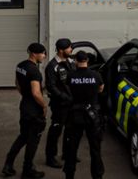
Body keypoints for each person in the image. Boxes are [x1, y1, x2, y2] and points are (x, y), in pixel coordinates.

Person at [2, 43, 48, 179]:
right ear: (34, 54)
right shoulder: (34, 71)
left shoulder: (20, 65)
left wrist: (24, 96)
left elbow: (17, 83)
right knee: (33, 140)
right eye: (43, 53)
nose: (44, 56)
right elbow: (36, 92)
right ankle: (28, 170)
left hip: (24, 106)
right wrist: (44, 106)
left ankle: (8, 164)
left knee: (23, 136)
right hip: (34, 110)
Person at [63, 51, 105, 179]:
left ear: (76, 61)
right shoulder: (96, 75)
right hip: (92, 115)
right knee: (95, 149)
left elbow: (68, 89)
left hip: (75, 115)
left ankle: (69, 175)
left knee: (72, 148)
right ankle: (97, 176)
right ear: (87, 60)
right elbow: (101, 89)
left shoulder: (71, 76)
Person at [45, 38, 75, 168]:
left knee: (70, 129)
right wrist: (64, 97)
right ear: (61, 50)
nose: (71, 49)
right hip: (60, 105)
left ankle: (67, 153)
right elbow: (51, 86)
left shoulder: (70, 62)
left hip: (71, 103)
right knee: (56, 130)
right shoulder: (52, 66)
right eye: (69, 48)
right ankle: (50, 157)